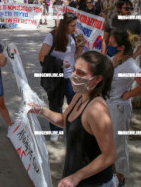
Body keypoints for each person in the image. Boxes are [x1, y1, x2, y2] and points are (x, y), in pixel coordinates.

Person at [29, 51, 117, 186]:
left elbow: (110, 156)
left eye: (81, 73)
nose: (74, 75)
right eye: (74, 70)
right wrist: (41, 110)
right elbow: (64, 120)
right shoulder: (80, 95)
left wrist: (76, 177)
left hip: (93, 183)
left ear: (97, 79)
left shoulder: (97, 109)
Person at [39, 13, 86, 141]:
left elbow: (73, 54)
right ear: (65, 24)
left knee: (75, 102)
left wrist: (80, 46)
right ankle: (56, 130)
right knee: (56, 104)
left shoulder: (71, 35)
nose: (74, 28)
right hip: (56, 77)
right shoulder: (51, 36)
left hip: (70, 77)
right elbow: (42, 57)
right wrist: (60, 64)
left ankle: (74, 127)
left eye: (75, 25)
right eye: (72, 25)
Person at [106, 30, 141, 186]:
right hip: (109, 106)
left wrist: (129, 94)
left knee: (119, 144)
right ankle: (112, 168)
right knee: (109, 141)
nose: (108, 45)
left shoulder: (130, 65)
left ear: (121, 47)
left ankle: (120, 177)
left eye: (112, 44)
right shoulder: (116, 58)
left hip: (120, 109)